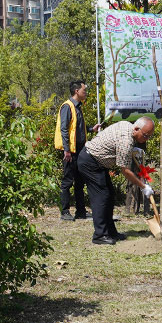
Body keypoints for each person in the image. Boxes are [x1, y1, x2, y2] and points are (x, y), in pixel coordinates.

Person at [77, 117, 155, 245]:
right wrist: (143, 187)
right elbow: (125, 171)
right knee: (101, 197)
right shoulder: (126, 141)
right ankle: (100, 235)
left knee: (109, 195)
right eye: (145, 135)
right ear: (136, 129)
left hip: (97, 162)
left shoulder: (127, 125)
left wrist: (132, 151)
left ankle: (110, 232)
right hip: (90, 162)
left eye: (149, 136)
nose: (146, 139)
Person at [54, 80, 100, 221]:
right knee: (68, 181)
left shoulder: (78, 107)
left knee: (80, 181)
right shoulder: (67, 106)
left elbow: (77, 128)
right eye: (84, 90)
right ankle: (65, 211)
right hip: (70, 151)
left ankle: (81, 211)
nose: (85, 92)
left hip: (80, 149)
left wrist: (92, 129)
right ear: (76, 91)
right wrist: (66, 150)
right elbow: (64, 129)